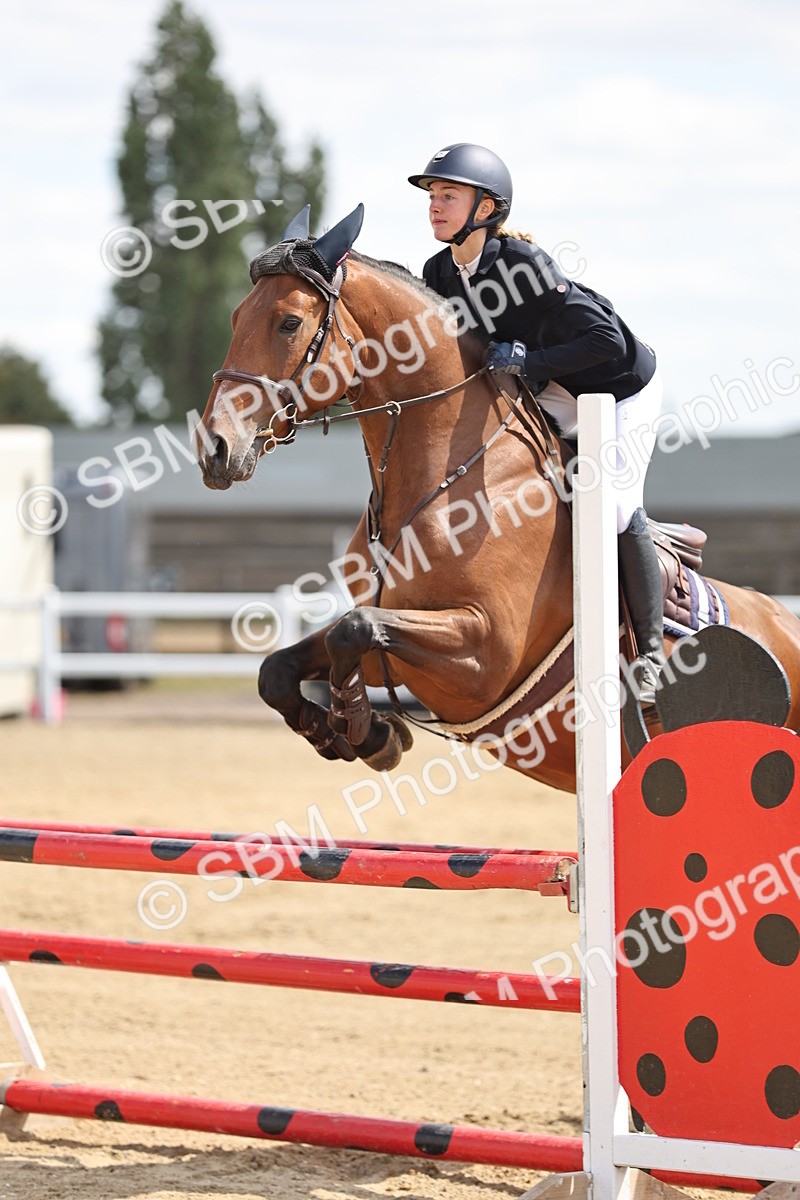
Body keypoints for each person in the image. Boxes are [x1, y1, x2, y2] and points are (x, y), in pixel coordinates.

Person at [409, 142, 666, 704]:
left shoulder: (522, 264)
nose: (435, 205)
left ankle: (650, 657)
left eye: (448, 195)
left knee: (615, 504)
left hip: (618, 390)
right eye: (432, 195)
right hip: (545, 392)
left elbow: (606, 340)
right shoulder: (437, 272)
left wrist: (530, 361)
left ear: (485, 208)